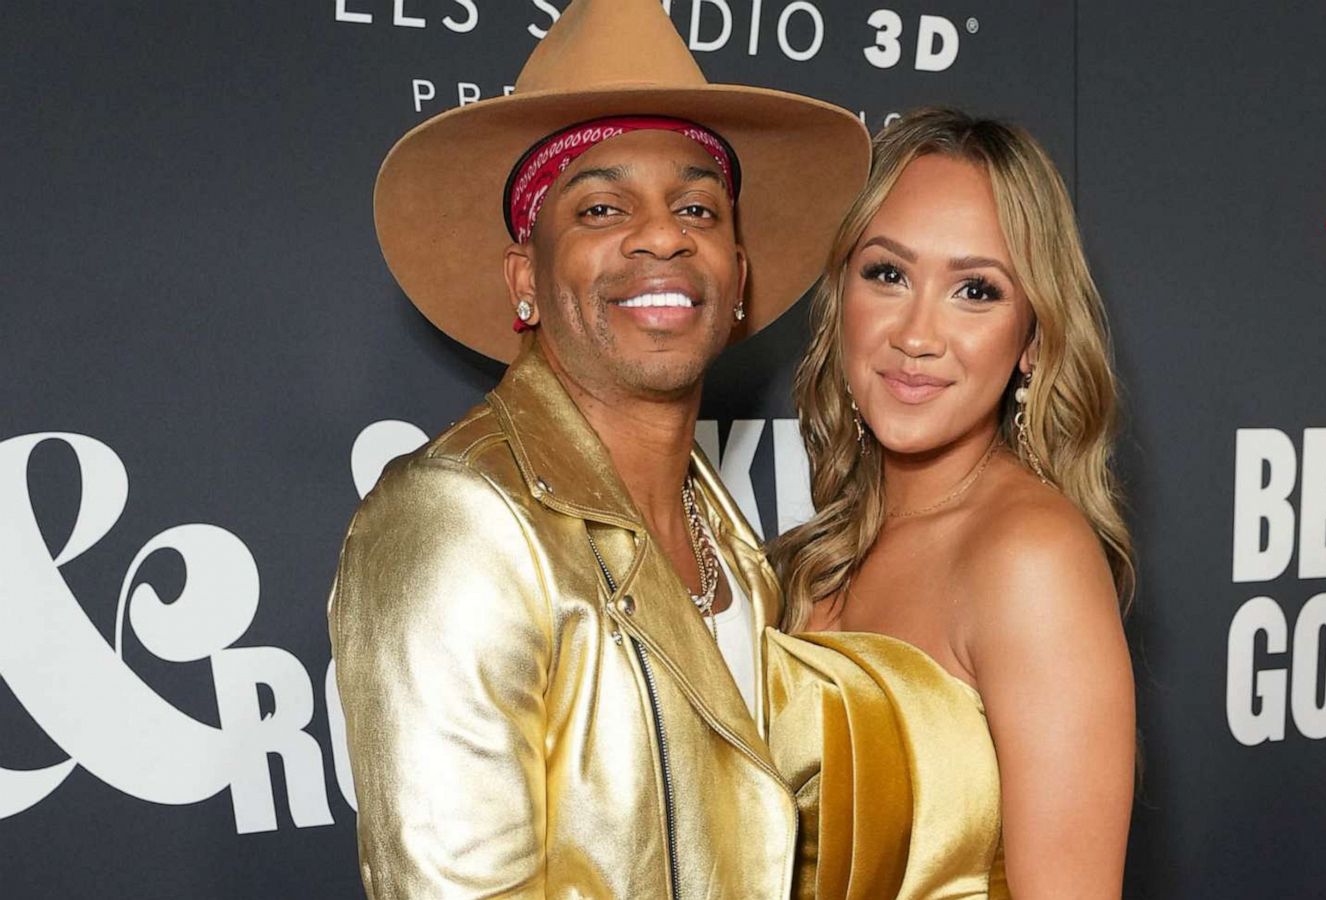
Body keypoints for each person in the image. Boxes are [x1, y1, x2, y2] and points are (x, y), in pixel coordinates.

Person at [326, 1, 868, 897]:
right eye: (602, 207)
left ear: (737, 277)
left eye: (698, 205)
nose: (663, 235)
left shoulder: (730, 537)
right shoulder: (456, 518)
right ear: (526, 280)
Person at [766, 107, 1137, 899]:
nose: (917, 334)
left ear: (1032, 340)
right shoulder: (821, 545)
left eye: (976, 290)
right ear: (841, 299)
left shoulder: (1031, 558)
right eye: (888, 274)